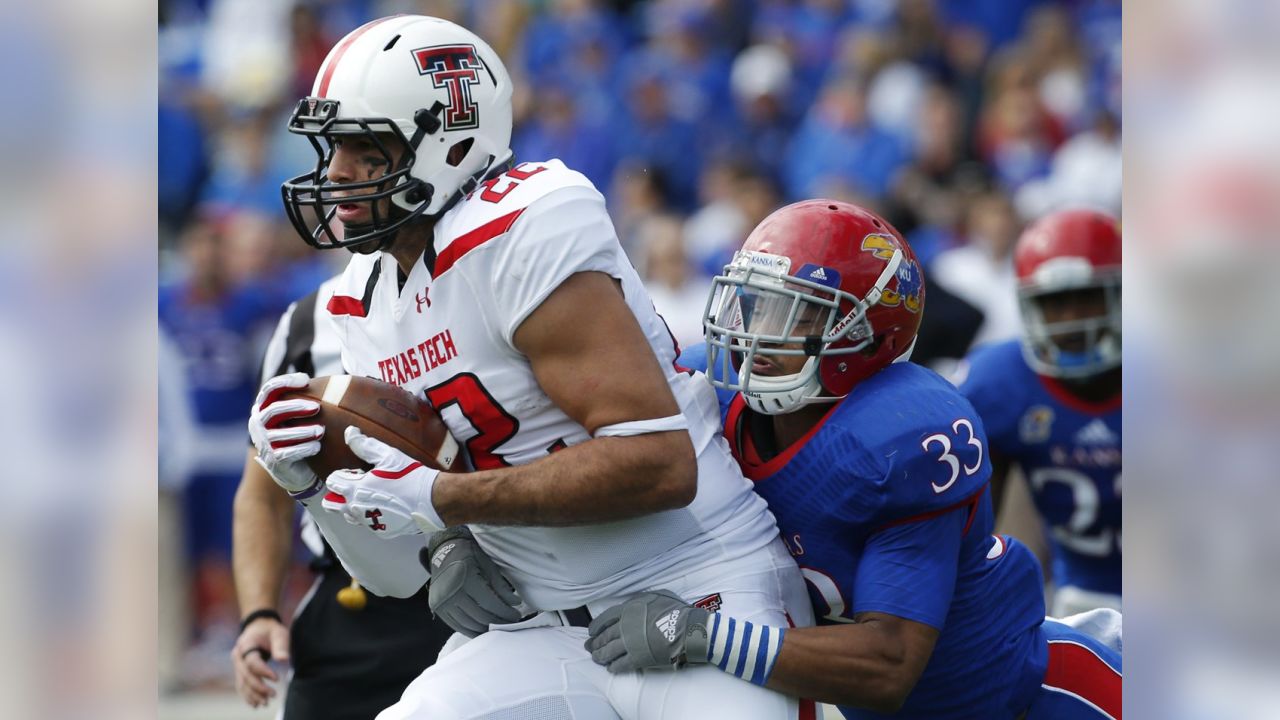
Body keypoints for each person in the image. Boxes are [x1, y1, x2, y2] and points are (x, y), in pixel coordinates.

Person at [250, 15, 812, 719]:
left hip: (694, 590)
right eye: (332, 148)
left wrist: (442, 502)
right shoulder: (357, 300)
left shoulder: (523, 227)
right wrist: (314, 487)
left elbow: (658, 464)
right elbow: (391, 576)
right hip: (542, 624)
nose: (336, 173)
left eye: (365, 147)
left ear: (448, 143)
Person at [585, 200, 1122, 718]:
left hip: (1039, 701)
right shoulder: (710, 391)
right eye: (755, 304)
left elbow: (888, 665)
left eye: (794, 314)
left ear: (866, 334)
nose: (757, 336)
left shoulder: (899, 439)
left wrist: (704, 635)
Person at [231, 276, 455, 717]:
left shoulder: (492, 274)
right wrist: (259, 613)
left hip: (495, 580)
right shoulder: (306, 322)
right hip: (354, 603)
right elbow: (261, 494)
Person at [958, 209, 1122, 616]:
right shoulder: (1000, 382)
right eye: (1055, 303)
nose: (1072, 321)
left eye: (1086, 298)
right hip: (1085, 599)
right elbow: (965, 535)